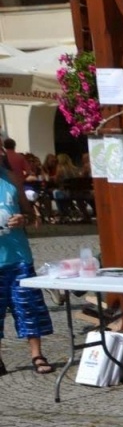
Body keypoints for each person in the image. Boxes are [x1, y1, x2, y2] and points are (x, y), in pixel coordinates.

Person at [0, 159, 51, 376]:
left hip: (19, 256)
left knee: (28, 306)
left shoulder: (11, 178)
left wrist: (24, 218)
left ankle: (37, 354)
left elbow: (31, 214)